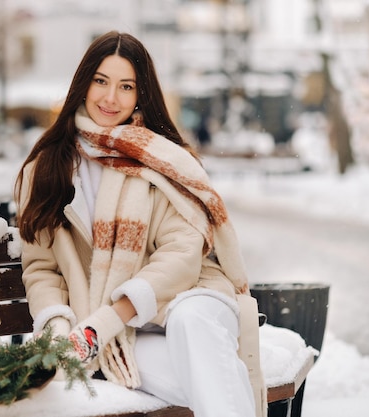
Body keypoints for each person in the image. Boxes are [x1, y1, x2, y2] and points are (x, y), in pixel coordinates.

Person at [14, 31, 265, 417]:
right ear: (83, 84)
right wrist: (60, 331)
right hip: (125, 339)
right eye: (101, 81)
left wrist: (106, 321)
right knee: (214, 380)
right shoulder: (47, 169)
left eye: (126, 86)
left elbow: (183, 253)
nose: (110, 98)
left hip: (190, 298)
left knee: (192, 324)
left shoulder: (163, 159)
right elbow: (41, 268)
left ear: (140, 94)